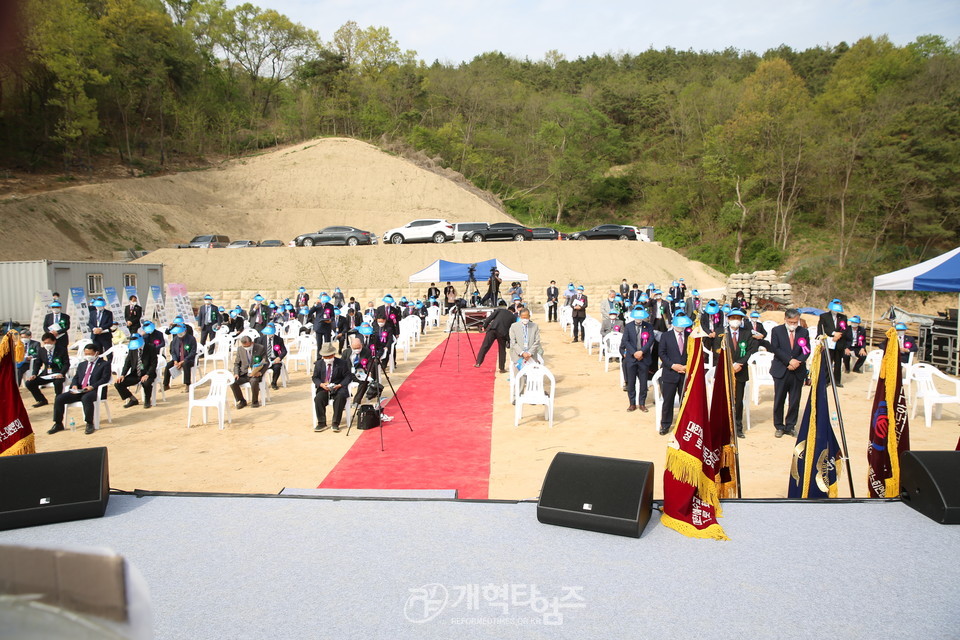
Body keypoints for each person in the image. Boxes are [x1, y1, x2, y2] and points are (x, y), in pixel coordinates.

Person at [48, 343, 111, 435]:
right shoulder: (82, 364)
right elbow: (76, 377)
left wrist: (92, 386)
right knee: (59, 398)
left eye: (90, 354)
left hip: (94, 390)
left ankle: (89, 423)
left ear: (96, 353)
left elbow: (105, 378)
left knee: (86, 398)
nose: (88, 356)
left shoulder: (104, 364)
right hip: (79, 390)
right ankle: (58, 423)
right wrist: (74, 385)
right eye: (86, 354)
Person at [770, 309, 811, 438]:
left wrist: (798, 361)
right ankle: (779, 426)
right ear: (785, 319)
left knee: (794, 400)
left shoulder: (803, 332)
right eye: (791, 322)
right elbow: (775, 348)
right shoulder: (777, 331)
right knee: (779, 399)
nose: (793, 324)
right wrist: (789, 361)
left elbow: (806, 350)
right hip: (782, 369)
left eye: (795, 322)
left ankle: (790, 426)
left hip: (797, 371)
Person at [659, 313, 693, 435]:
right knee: (668, 400)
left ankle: (684, 424)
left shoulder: (690, 337)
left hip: (684, 373)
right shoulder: (666, 336)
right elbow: (662, 353)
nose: (681, 328)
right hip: (670, 373)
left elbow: (692, 353)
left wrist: (686, 366)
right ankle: (665, 424)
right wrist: (673, 366)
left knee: (685, 400)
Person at [725, 309, 757, 438]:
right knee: (724, 400)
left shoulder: (746, 333)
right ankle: (725, 427)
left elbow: (750, 350)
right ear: (728, 319)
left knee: (738, 401)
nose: (736, 321)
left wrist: (740, 364)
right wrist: (729, 365)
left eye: (738, 318)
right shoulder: (723, 333)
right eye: (733, 318)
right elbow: (717, 351)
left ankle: (738, 427)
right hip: (726, 371)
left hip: (740, 371)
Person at [312, 343, 352, 432]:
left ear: (333, 354)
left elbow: (348, 376)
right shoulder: (319, 364)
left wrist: (340, 385)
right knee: (318, 399)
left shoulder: (342, 363)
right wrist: (321, 384)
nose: (327, 359)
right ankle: (321, 423)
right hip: (324, 387)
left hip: (338, 386)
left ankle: (335, 423)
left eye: (329, 356)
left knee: (340, 398)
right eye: (325, 357)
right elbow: (315, 377)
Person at [620, 307, 654, 413]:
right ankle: (632, 403)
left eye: (641, 317)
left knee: (643, 383)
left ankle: (642, 403)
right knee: (631, 382)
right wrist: (634, 353)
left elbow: (650, 340)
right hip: (631, 358)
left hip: (644, 358)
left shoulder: (648, 326)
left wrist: (641, 352)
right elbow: (625, 341)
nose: (639, 319)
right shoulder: (629, 326)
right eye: (637, 317)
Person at [24, 332, 69, 407]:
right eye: (45, 343)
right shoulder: (42, 350)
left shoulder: (62, 350)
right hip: (46, 374)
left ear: (54, 341)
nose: (47, 344)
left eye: (49, 342)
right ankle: (41, 400)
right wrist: (34, 374)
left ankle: (58, 400)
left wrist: (61, 373)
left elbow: (66, 364)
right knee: (29, 383)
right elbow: (38, 363)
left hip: (58, 373)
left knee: (58, 383)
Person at [114, 334, 158, 408]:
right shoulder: (132, 348)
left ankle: (147, 400)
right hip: (135, 374)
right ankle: (133, 399)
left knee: (146, 383)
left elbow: (153, 364)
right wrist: (122, 375)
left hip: (148, 373)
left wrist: (147, 374)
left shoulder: (151, 348)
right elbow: (127, 363)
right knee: (118, 384)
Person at [475, 303, 514, 373]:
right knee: (502, 350)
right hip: (503, 333)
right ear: (513, 311)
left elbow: (490, 318)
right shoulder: (513, 317)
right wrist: (509, 340)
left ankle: (478, 362)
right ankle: (501, 368)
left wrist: (485, 325)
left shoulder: (500, 310)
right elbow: (512, 329)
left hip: (492, 329)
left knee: (485, 346)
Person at [231, 335, 268, 409]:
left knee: (254, 381)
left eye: (248, 346)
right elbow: (237, 363)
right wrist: (236, 373)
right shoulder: (240, 349)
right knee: (233, 382)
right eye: (244, 346)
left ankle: (255, 401)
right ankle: (241, 400)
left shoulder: (260, 348)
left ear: (252, 343)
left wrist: (260, 372)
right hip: (244, 373)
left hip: (255, 374)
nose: (246, 348)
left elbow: (266, 362)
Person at [818, 299, 848, 387]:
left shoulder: (843, 317)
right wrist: (833, 334)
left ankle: (836, 381)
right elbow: (822, 328)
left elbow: (845, 329)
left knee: (838, 362)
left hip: (839, 342)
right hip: (829, 341)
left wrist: (839, 335)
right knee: (827, 361)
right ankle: (826, 380)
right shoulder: (824, 316)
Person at [163, 325, 197, 392]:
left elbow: (192, 352)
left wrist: (183, 361)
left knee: (185, 364)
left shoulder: (191, 339)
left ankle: (187, 384)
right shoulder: (175, 339)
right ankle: (166, 384)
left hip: (188, 359)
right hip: (178, 359)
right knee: (168, 365)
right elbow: (172, 351)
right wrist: (175, 360)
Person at [257, 323, 287, 390]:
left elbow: (284, 351)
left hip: (274, 359)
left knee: (277, 367)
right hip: (264, 359)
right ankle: (259, 383)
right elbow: (257, 351)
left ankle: (274, 382)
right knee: (258, 367)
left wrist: (279, 357)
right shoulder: (260, 339)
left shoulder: (279, 339)